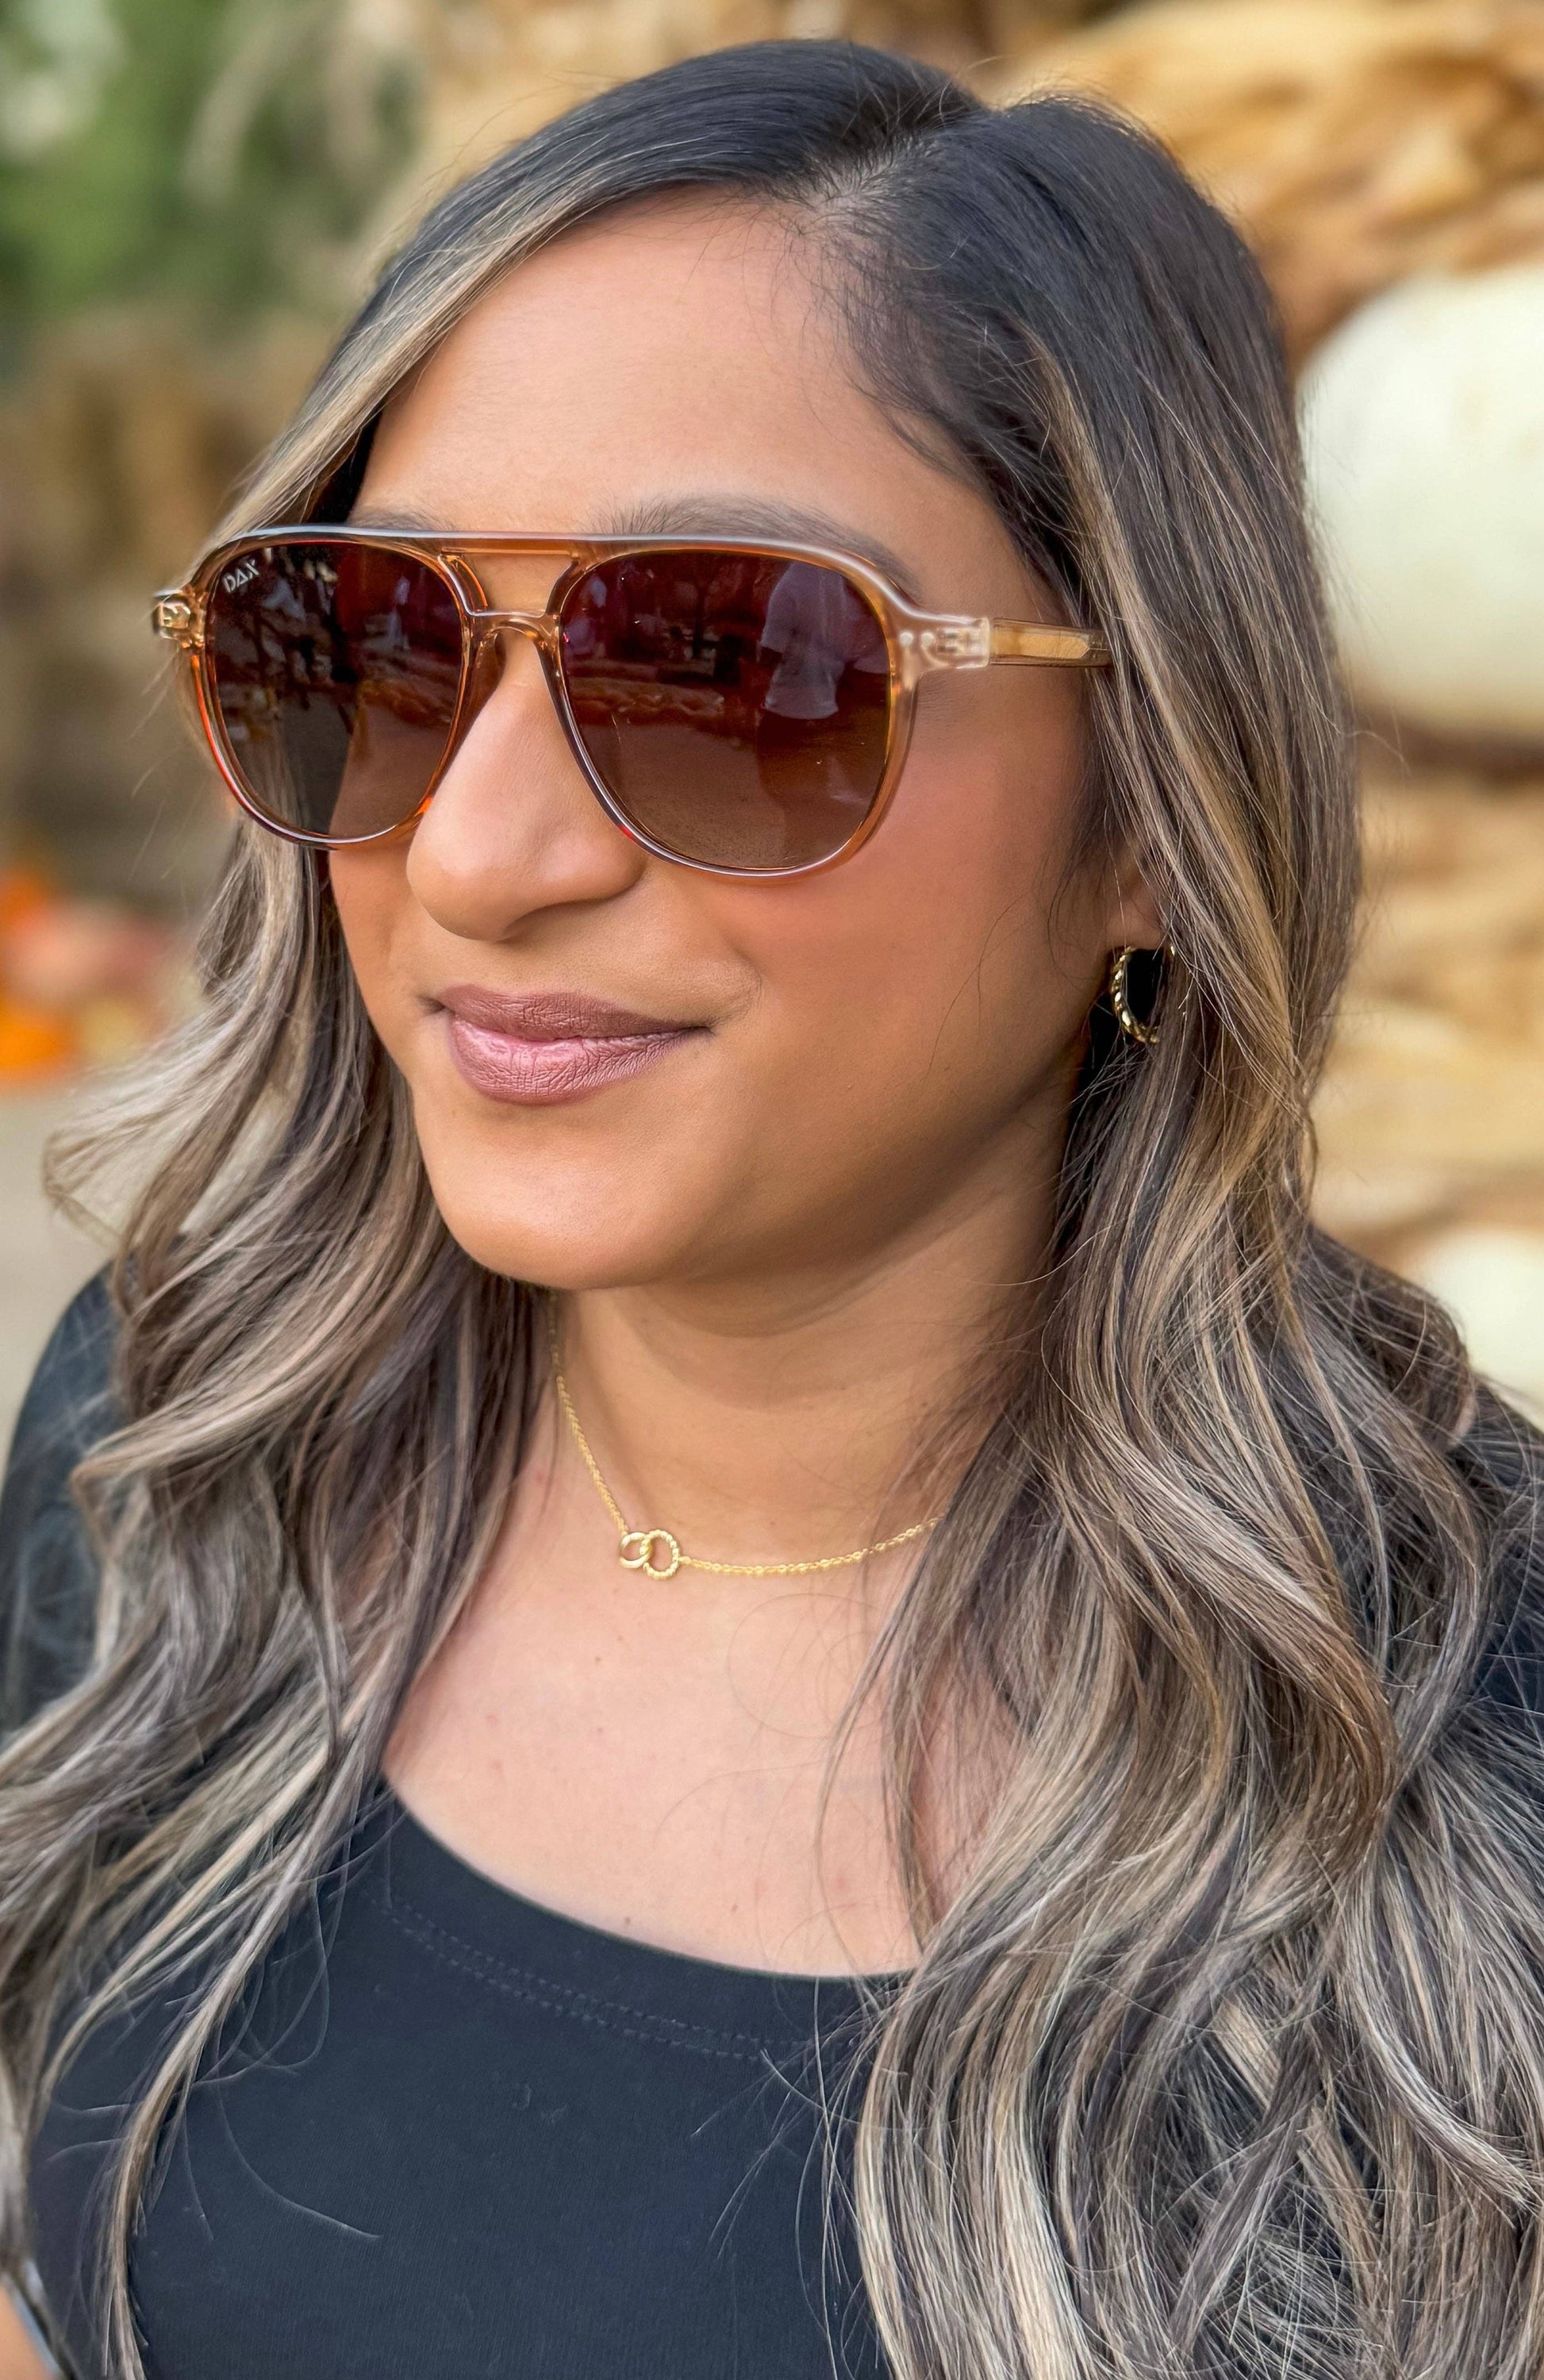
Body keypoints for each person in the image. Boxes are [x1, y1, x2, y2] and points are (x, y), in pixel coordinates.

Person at [2, 38, 1542, 2380]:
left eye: (723, 666)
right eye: (373, 646)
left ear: (1153, 806)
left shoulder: (1478, 1773)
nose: (481, 856)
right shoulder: (174, 1456)